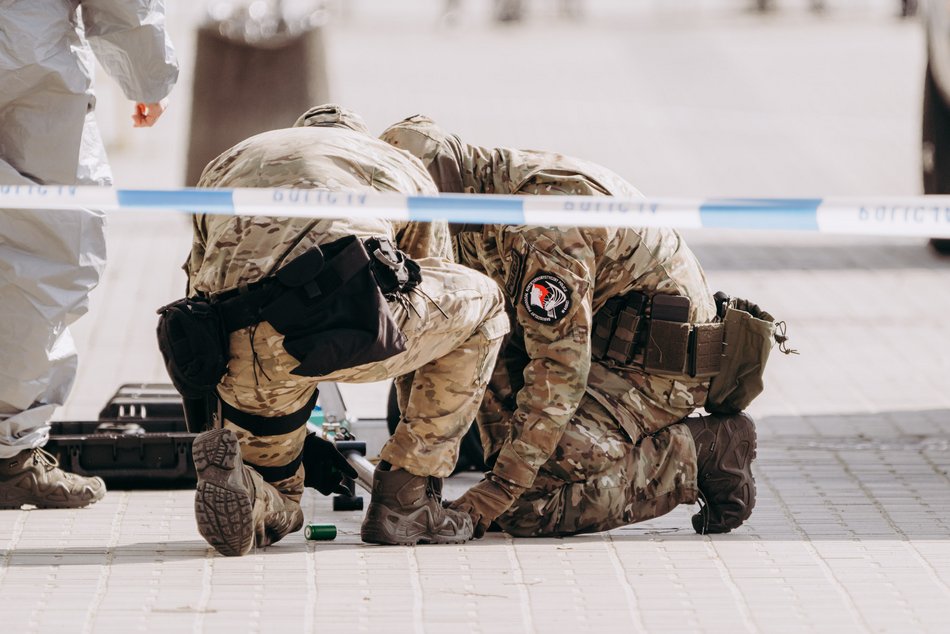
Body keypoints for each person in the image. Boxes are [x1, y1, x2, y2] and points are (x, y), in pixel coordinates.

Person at [381, 115, 777, 538]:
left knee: (525, 507)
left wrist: (497, 493)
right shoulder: (472, 196)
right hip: (595, 346)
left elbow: (560, 373)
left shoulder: (540, 228)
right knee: (474, 339)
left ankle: (702, 453)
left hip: (654, 369)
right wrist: (417, 476)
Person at [185, 105, 509, 556]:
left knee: (286, 489)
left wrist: (260, 424)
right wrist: (410, 445)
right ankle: (406, 503)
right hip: (342, 332)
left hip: (242, 353)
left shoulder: (229, 160)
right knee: (484, 305)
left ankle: (255, 492)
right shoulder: (393, 162)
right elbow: (427, 284)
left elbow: (196, 293)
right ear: (357, 137)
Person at [0, 0, 178, 509]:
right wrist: (148, 80)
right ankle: (8, 458)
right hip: (29, 78)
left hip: (27, 63)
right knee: (44, 257)